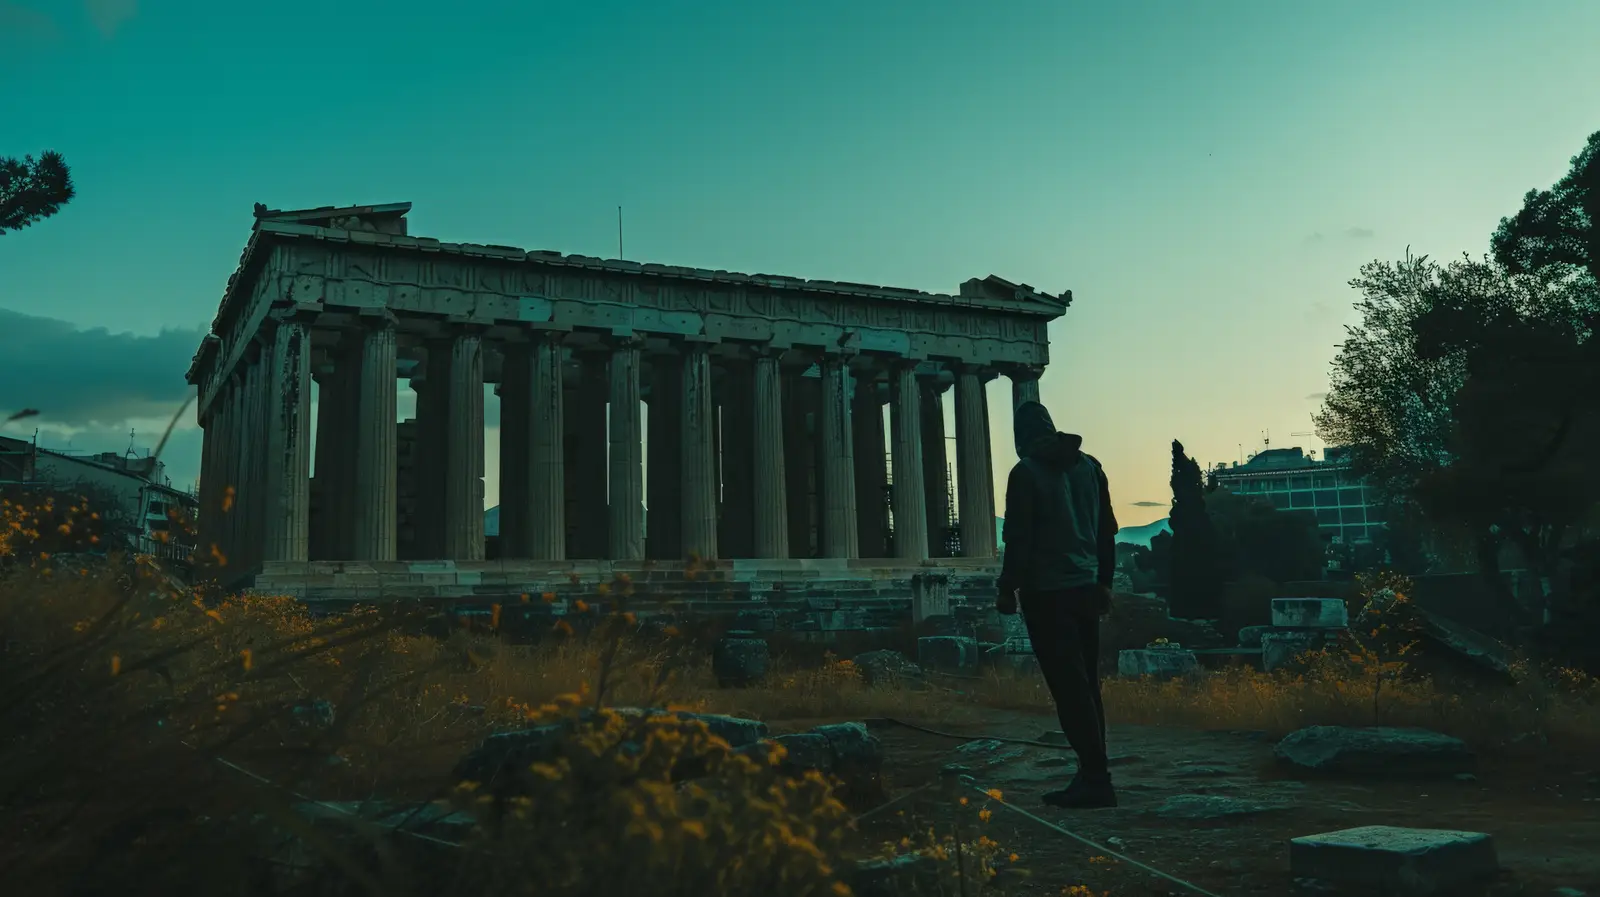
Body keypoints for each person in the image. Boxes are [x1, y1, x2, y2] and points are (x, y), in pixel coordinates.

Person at [995, 400, 1119, 809]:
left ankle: (1096, 779)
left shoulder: (1025, 473)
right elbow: (1107, 532)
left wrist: (1006, 588)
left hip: (1047, 593)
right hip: (1086, 589)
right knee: (1087, 686)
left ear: (1022, 436)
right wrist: (1104, 582)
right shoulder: (1091, 467)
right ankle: (1093, 772)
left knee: (1069, 689)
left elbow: (1019, 538)